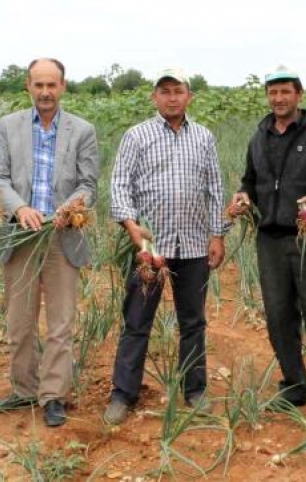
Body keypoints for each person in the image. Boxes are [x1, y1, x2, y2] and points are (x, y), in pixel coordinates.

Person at [227, 66, 306, 429]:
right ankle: (295, 385)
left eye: (285, 92)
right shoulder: (259, 136)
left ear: (299, 94)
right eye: (273, 92)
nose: (279, 99)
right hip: (270, 240)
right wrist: (243, 197)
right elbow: (250, 180)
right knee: (279, 317)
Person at [104, 68, 225, 425]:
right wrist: (130, 226)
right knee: (137, 321)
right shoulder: (137, 135)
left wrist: (217, 235)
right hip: (149, 247)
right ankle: (123, 394)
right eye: (165, 91)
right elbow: (119, 184)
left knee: (193, 322)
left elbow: (215, 189)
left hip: (192, 245)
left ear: (189, 96)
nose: (172, 97)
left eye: (178, 91)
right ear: (154, 97)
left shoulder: (203, 137)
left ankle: (195, 389)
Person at [0, 58, 99, 428]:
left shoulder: (82, 130)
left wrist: (68, 209)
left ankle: (53, 396)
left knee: (60, 323)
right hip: (20, 235)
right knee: (19, 321)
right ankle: (23, 389)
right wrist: (19, 209)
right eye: (39, 85)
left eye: (52, 85)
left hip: (60, 235)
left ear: (63, 86)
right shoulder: (9, 126)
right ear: (28, 86)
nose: (46, 92)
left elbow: (89, 184)